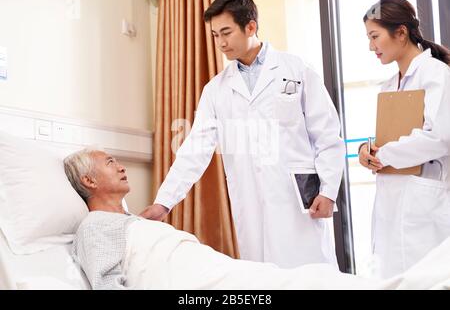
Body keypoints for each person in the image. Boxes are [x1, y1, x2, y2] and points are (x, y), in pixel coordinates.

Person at [141, 0, 345, 268]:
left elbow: (327, 134)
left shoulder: (296, 69)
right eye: (215, 35)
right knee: (262, 278)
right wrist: (164, 202)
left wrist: (329, 189)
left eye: (226, 32)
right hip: (250, 200)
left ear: (250, 26)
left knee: (311, 277)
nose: (221, 43)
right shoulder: (215, 89)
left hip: (297, 198)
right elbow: (194, 150)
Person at [64, 148, 450, 290]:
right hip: (191, 283)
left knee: (300, 279)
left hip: (208, 268)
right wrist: (164, 204)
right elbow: (106, 283)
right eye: (108, 161)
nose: (120, 164)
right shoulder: (95, 226)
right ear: (89, 180)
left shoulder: (133, 222)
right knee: (295, 284)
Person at [359, 0, 450, 278]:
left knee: (425, 280)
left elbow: (440, 137)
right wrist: (367, 150)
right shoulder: (389, 84)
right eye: (368, 38)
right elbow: (385, 137)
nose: (371, 46)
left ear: (401, 33)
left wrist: (383, 155)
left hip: (423, 201)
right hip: (392, 200)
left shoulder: (436, 74)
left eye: (375, 36)